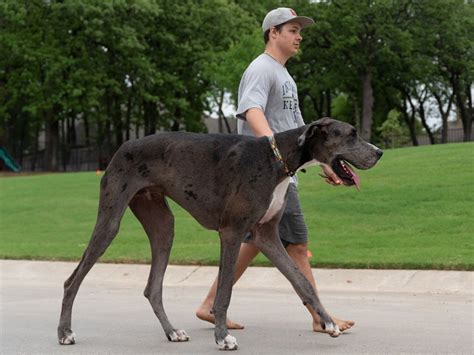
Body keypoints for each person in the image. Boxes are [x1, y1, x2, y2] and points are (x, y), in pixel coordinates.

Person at [196, 7, 355, 333]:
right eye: (293, 30)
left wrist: (324, 162)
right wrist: (272, 150)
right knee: (296, 243)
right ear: (273, 33)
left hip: (280, 172)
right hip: (267, 173)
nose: (299, 37)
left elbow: (300, 132)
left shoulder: (284, 75)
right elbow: (251, 110)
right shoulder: (261, 69)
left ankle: (210, 304)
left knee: (256, 240)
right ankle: (319, 316)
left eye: (299, 31)